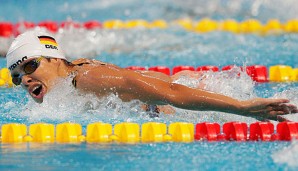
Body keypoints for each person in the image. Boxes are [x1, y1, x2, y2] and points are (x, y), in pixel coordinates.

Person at [6, 30, 298, 121]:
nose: (26, 79)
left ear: (56, 59)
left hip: (192, 95)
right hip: (182, 94)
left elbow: (170, 91)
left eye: (30, 66)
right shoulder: (68, 81)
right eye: (17, 77)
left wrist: (243, 108)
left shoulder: (89, 80)